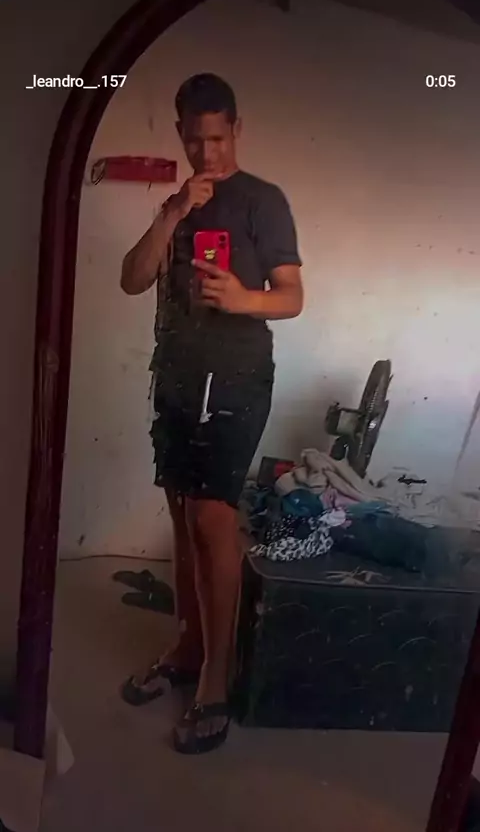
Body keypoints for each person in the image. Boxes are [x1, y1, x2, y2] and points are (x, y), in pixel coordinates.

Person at [120, 73, 303, 754]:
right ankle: (187, 646)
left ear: (236, 129)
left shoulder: (263, 200)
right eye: (196, 141)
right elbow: (132, 278)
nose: (208, 153)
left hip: (236, 378)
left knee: (211, 520)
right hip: (174, 375)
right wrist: (171, 212)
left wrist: (241, 298)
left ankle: (215, 680)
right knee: (180, 513)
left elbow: (292, 296)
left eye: (218, 139)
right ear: (181, 135)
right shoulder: (179, 204)